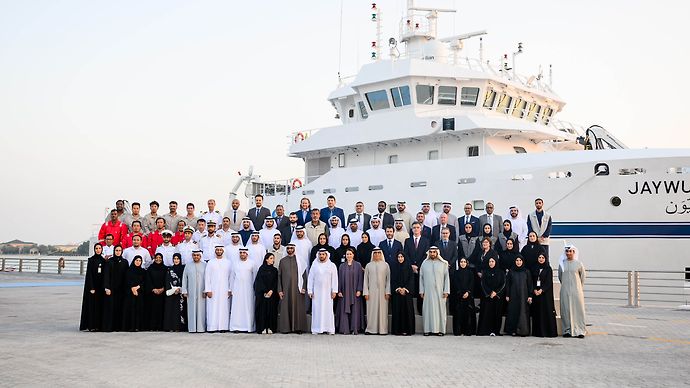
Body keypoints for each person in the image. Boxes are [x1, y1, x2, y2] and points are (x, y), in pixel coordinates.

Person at [277, 244, 309, 333]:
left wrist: (304, 287)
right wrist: (280, 290)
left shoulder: (300, 261)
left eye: (292, 248)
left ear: (295, 249)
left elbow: (304, 276)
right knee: (286, 307)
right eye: (288, 248)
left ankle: (298, 328)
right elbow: (279, 276)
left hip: (298, 289)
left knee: (298, 308)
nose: (290, 250)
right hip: (286, 289)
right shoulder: (282, 261)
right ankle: (286, 328)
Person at [419, 246, 450, 336]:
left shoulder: (443, 264)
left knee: (440, 310)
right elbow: (421, 278)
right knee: (428, 310)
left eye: (434, 252)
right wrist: (421, 291)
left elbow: (446, 278)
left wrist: (446, 291)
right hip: (428, 292)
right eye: (431, 252)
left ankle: (440, 330)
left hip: (440, 292)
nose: (432, 254)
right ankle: (427, 329)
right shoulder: (424, 263)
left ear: (437, 253)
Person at [308, 249, 339, 335]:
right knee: (317, 310)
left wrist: (334, 291)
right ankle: (316, 329)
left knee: (328, 310)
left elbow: (335, 279)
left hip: (328, 293)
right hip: (316, 293)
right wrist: (310, 291)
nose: (321, 256)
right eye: (320, 254)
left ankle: (329, 329)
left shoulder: (332, 265)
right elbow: (310, 279)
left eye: (323, 254)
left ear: (326, 255)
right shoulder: (314, 266)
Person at [559, 245, 586, 338]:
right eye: (567, 251)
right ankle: (567, 330)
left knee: (578, 311)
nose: (568, 253)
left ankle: (580, 331)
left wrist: (578, 287)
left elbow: (582, 277)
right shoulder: (562, 264)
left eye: (570, 251)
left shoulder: (579, 264)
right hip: (565, 290)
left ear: (574, 252)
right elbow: (560, 277)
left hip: (576, 291)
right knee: (566, 310)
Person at [363, 247, 391, 335]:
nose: (377, 254)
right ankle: (371, 329)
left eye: (379, 253)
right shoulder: (368, 265)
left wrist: (387, 292)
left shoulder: (386, 265)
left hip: (383, 292)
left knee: (383, 311)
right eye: (375, 253)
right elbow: (365, 280)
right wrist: (366, 292)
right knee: (371, 310)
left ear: (381, 254)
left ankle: (382, 330)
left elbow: (388, 280)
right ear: (373, 254)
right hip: (371, 292)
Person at [336, 248, 364, 334]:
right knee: (344, 309)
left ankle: (354, 328)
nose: (349, 256)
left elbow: (360, 278)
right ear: (345, 255)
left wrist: (359, 289)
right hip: (344, 292)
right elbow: (339, 279)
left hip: (355, 291)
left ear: (353, 255)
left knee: (355, 310)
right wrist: (339, 290)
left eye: (350, 254)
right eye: (347, 254)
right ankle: (345, 328)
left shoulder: (358, 265)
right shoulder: (341, 266)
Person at [404, 222, 430, 314]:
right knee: (410, 287)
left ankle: (420, 309)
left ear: (420, 229)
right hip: (410, 268)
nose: (416, 229)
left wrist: (417, 266)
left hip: (421, 268)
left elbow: (425, 255)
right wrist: (411, 265)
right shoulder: (407, 241)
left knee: (420, 288)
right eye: (414, 227)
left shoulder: (426, 241)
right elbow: (405, 254)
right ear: (412, 229)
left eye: (417, 227)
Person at [204, 245, 232, 332]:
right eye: (217, 250)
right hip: (213, 289)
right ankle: (212, 327)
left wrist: (229, 289)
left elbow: (230, 277)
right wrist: (208, 290)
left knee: (224, 308)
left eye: (220, 250)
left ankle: (223, 327)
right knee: (212, 308)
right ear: (215, 251)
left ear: (223, 251)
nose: (219, 251)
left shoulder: (228, 262)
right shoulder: (211, 262)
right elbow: (207, 277)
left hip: (225, 289)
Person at [229, 249, 258, 333]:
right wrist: (231, 289)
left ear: (247, 254)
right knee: (237, 308)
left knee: (248, 307)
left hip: (249, 289)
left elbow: (255, 277)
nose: (242, 254)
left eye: (244, 253)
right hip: (237, 289)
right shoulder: (235, 263)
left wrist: (254, 289)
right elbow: (232, 277)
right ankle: (236, 327)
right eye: (241, 253)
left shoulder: (252, 263)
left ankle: (248, 327)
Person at [102, 245, 129, 332]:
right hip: (111, 288)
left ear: (122, 251)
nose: (118, 252)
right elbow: (106, 275)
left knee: (120, 308)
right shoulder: (110, 261)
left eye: (119, 250)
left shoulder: (125, 262)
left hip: (121, 289)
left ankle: (119, 327)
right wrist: (107, 287)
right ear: (114, 251)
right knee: (111, 308)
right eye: (116, 250)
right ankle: (110, 326)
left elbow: (126, 276)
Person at [504, 255, 533, 336]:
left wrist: (530, 296)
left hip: (524, 295)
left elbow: (530, 284)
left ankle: (523, 331)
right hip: (513, 295)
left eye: (520, 260)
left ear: (522, 261)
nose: (518, 262)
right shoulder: (511, 271)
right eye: (517, 260)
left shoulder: (526, 271)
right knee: (513, 312)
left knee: (523, 312)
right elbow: (508, 284)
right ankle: (513, 330)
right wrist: (507, 295)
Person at [477, 258, 506, 336]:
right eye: (489, 261)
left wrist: (496, 292)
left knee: (497, 313)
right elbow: (483, 283)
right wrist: (489, 292)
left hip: (497, 297)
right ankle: (486, 330)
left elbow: (503, 284)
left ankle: (496, 331)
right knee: (487, 313)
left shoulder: (501, 272)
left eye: (493, 261)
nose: (491, 263)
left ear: (496, 262)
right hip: (487, 297)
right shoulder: (485, 272)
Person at [531, 253, 558, 337]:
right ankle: (538, 332)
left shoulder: (548, 269)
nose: (541, 259)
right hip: (536, 294)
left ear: (545, 259)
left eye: (543, 258)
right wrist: (534, 289)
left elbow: (549, 282)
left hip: (545, 295)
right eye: (539, 257)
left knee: (546, 312)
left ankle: (548, 332)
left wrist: (541, 290)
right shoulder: (534, 268)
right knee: (537, 313)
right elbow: (532, 280)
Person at [79, 243, 104, 331]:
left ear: (102, 249)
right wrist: (91, 287)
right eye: (96, 248)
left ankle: (98, 325)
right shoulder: (91, 260)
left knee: (99, 306)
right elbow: (89, 275)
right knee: (92, 306)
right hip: (93, 287)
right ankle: (91, 325)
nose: (98, 250)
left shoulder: (104, 260)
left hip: (101, 287)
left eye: (99, 248)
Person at [390, 252, 415, 336]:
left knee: (407, 311)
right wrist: (398, 289)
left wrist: (405, 289)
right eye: (398, 257)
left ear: (404, 258)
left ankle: (407, 330)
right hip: (397, 294)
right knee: (397, 311)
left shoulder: (408, 267)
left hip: (406, 294)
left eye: (401, 257)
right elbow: (392, 280)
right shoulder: (394, 267)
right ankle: (398, 330)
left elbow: (411, 279)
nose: (400, 258)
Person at [182, 250, 206, 333]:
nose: (196, 257)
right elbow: (184, 278)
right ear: (192, 256)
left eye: (198, 255)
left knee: (201, 309)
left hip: (201, 291)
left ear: (200, 256)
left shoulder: (205, 265)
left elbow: (207, 279)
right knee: (191, 309)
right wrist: (184, 290)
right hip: (191, 291)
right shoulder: (188, 265)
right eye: (194, 255)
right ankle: (192, 328)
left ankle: (201, 328)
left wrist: (206, 290)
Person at [254, 253, 279, 334]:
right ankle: (263, 327)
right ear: (266, 259)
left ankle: (271, 327)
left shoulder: (275, 270)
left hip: (272, 295)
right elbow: (259, 282)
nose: (273, 260)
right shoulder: (261, 269)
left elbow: (276, 282)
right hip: (263, 295)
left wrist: (271, 290)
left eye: (273, 258)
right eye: (271, 258)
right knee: (263, 311)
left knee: (271, 311)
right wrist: (264, 291)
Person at [451, 257, 476, 336]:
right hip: (458, 297)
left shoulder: (470, 273)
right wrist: (461, 293)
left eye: (464, 262)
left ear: (466, 263)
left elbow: (472, 283)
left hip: (468, 297)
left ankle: (467, 331)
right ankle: (458, 331)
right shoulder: (456, 273)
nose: (462, 263)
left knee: (468, 314)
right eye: (461, 262)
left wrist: (468, 292)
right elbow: (455, 283)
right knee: (458, 314)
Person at [121, 255, 146, 331]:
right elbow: (126, 281)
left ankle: (138, 327)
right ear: (133, 261)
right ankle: (130, 327)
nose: (138, 262)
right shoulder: (129, 270)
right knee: (130, 309)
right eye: (136, 260)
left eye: (139, 261)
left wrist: (137, 287)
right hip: (130, 294)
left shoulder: (143, 271)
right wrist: (132, 288)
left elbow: (145, 282)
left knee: (138, 309)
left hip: (140, 293)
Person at [163, 253, 187, 332]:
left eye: (178, 259)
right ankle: (170, 326)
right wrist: (173, 289)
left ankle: (179, 327)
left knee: (179, 310)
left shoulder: (183, 269)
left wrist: (179, 289)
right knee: (171, 310)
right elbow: (168, 280)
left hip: (180, 293)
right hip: (172, 292)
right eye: (175, 259)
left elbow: (185, 280)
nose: (176, 260)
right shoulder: (170, 269)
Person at [146, 253, 167, 331]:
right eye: (157, 257)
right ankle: (152, 327)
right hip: (152, 294)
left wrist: (162, 288)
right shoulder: (150, 268)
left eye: (160, 257)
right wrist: (153, 289)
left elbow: (167, 279)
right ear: (154, 259)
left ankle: (160, 326)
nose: (158, 259)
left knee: (161, 310)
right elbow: (148, 280)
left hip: (162, 293)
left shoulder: (165, 268)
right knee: (152, 310)